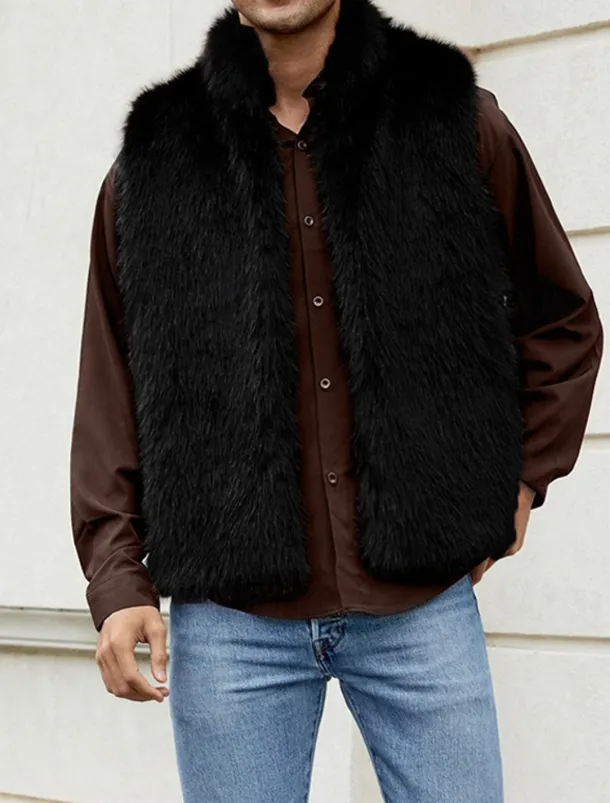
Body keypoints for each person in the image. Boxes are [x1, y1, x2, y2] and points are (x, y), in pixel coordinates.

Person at [70, 1, 603, 800]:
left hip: (420, 604)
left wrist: (522, 479)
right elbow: (110, 386)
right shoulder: (154, 160)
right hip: (231, 620)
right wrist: (117, 581)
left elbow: (561, 319)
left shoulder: (451, 118)